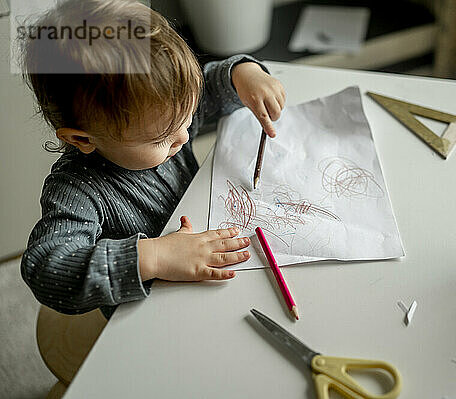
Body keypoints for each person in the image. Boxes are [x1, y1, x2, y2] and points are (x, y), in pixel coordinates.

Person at [19, 0, 286, 320]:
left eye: (186, 119)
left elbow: (213, 86)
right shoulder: (77, 188)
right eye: (161, 138)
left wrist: (243, 73)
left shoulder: (162, 114)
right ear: (82, 139)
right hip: (147, 314)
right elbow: (46, 271)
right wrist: (154, 257)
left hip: (206, 276)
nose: (184, 138)